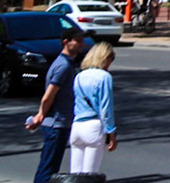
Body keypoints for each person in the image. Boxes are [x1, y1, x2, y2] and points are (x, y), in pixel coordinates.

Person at [24, 28, 87, 183]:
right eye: (77, 41)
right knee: (48, 169)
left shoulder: (67, 64)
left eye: (81, 41)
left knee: (50, 168)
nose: (81, 44)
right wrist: (40, 115)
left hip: (60, 123)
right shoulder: (63, 66)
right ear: (66, 42)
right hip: (56, 125)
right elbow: (49, 95)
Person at [67, 41, 119, 177]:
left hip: (77, 126)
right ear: (105, 58)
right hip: (93, 127)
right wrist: (111, 133)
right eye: (110, 60)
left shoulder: (79, 76)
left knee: (75, 175)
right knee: (90, 175)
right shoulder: (104, 77)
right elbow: (106, 108)